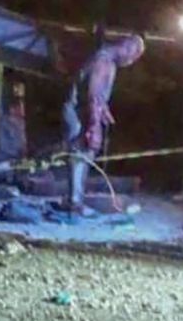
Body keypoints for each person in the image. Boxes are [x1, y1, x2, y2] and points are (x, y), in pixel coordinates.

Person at [61, 33, 145, 213]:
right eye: (133, 56)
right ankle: (74, 202)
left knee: (84, 155)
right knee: (80, 155)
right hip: (78, 113)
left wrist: (105, 112)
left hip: (80, 110)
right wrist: (94, 126)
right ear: (127, 48)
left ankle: (75, 199)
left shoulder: (104, 58)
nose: (131, 61)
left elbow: (97, 95)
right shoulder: (104, 61)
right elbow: (93, 95)